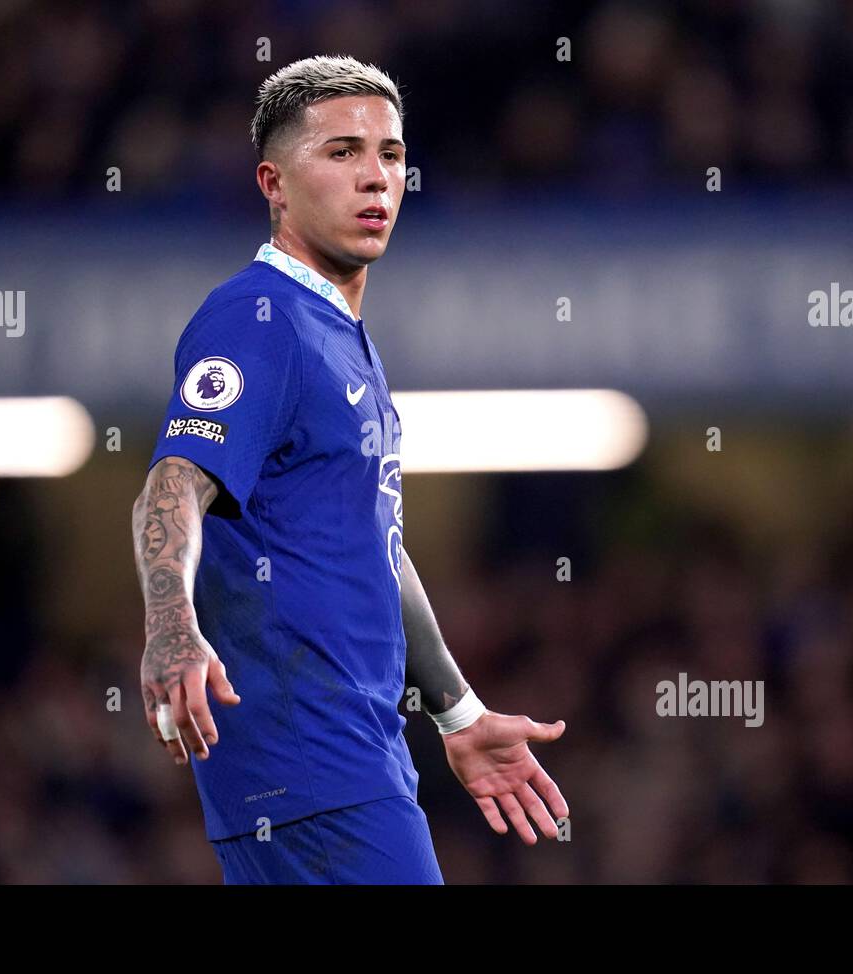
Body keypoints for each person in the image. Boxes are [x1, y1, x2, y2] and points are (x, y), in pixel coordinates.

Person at [131, 54, 568, 885]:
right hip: (315, 767)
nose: (376, 178)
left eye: (392, 155)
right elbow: (174, 480)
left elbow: (375, 544)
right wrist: (171, 623)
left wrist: (458, 710)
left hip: (342, 764)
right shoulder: (259, 321)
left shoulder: (341, 339)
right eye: (341, 153)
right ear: (275, 183)